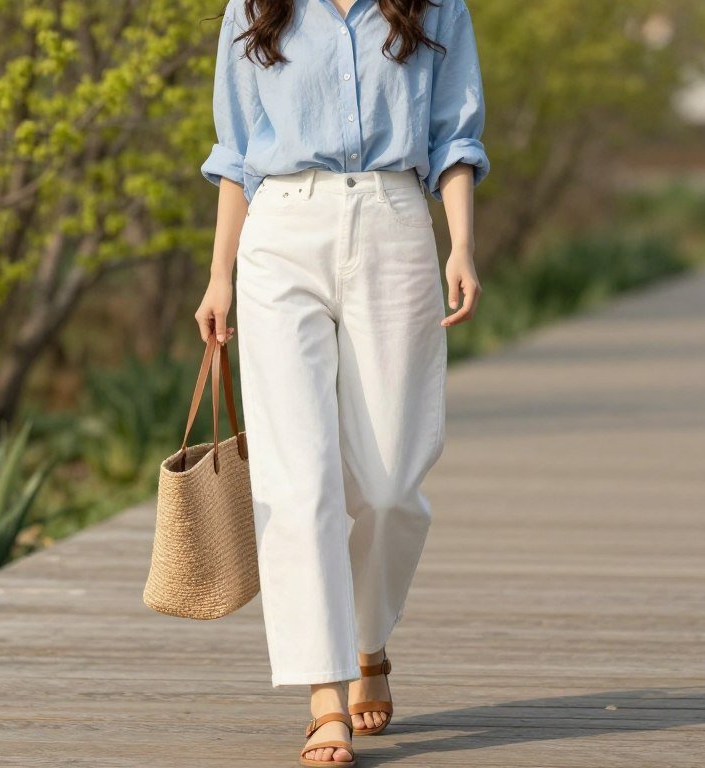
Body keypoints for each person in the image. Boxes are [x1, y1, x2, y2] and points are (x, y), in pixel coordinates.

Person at [195, 0, 489, 764]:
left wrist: (461, 244)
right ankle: (323, 690)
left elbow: (456, 134)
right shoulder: (254, 9)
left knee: (392, 481)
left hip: (394, 218)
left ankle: (367, 639)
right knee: (300, 482)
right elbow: (236, 153)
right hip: (280, 231)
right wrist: (219, 275)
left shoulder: (436, 7)